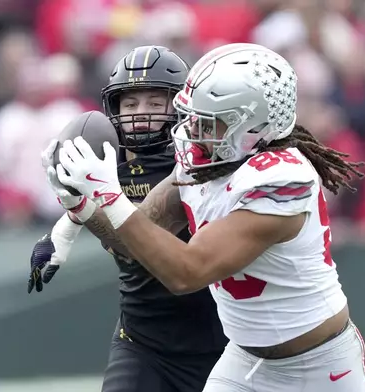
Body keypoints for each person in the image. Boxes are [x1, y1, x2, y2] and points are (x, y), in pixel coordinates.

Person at [43, 42, 365, 392]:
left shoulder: (281, 179)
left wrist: (109, 195)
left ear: (251, 126)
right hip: (244, 363)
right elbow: (134, 243)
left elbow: (188, 272)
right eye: (190, 117)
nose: (192, 132)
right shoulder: (204, 158)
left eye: (209, 122)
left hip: (321, 366)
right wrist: (82, 205)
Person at [29, 45, 227, 392]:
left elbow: (137, 241)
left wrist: (81, 206)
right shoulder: (105, 156)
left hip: (218, 342)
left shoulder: (199, 163)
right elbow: (104, 213)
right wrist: (67, 223)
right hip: (142, 339)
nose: (140, 114)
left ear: (181, 105)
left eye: (154, 102)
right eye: (131, 103)